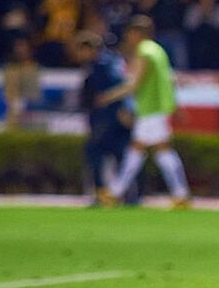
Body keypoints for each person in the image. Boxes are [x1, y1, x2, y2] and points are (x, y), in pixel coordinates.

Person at [96, 15, 191, 209]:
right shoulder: (158, 51)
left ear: (137, 33)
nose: (128, 38)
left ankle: (115, 193)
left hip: (150, 109)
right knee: (148, 151)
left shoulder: (145, 52)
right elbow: (169, 79)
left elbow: (134, 83)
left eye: (130, 33)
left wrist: (109, 96)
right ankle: (179, 194)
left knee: (147, 151)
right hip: (157, 108)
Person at [75, 30, 139, 206]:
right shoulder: (112, 61)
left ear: (90, 49)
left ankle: (105, 195)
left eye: (81, 50)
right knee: (122, 157)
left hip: (109, 118)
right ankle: (129, 197)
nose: (79, 55)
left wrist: (117, 105)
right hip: (111, 117)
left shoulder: (102, 64)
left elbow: (120, 86)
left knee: (96, 153)